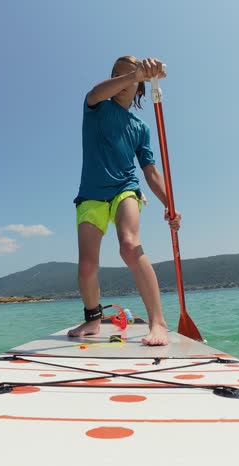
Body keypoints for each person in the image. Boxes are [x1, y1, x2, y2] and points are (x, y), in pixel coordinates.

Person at [68, 56, 181, 346]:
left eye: (131, 76)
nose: (123, 80)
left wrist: (169, 204)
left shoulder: (140, 127)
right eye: (117, 75)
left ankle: (158, 321)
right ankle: (93, 319)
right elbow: (95, 92)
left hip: (125, 188)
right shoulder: (95, 107)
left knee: (129, 246)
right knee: (86, 267)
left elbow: (151, 172)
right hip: (91, 194)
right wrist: (136, 74)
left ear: (141, 88)